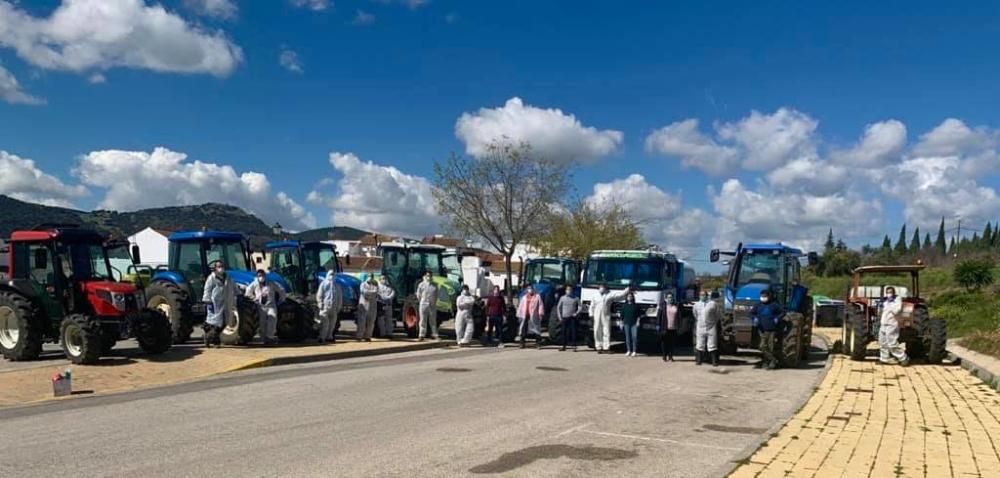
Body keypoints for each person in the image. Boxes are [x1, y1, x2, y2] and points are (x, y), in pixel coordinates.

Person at [245, 269, 287, 346]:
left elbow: (281, 289)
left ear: (265, 276)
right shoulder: (254, 284)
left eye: (262, 275)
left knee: (273, 318)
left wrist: (282, 299)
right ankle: (264, 339)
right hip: (260, 306)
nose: (261, 277)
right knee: (262, 322)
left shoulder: (271, 283)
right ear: (257, 277)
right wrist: (254, 298)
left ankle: (270, 337)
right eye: (259, 276)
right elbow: (247, 292)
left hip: (271, 305)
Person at [589, 285, 631, 354]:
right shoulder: (595, 295)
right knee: (597, 330)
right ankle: (598, 347)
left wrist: (626, 291)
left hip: (606, 315)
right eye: (601, 287)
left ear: (605, 288)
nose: (602, 288)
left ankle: (606, 347)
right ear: (599, 288)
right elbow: (592, 306)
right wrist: (591, 314)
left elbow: (619, 295)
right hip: (596, 315)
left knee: (606, 331)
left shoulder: (609, 294)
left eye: (603, 287)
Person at [202, 262, 235, 348]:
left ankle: (210, 338)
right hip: (215, 303)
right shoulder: (211, 278)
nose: (221, 268)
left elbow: (233, 287)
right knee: (215, 324)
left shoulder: (228, 277)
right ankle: (212, 339)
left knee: (223, 323)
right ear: (215, 268)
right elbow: (207, 289)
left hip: (225, 303)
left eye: (222, 266)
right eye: (219, 266)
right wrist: (207, 301)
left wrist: (239, 293)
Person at [752, 289, 784, 370]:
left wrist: (777, 318)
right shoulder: (758, 305)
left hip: (772, 329)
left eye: (765, 296)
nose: (763, 298)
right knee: (762, 346)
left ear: (769, 297)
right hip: (762, 329)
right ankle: (773, 359)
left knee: (770, 347)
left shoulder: (774, 305)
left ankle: (768, 363)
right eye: (762, 296)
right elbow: (751, 313)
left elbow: (782, 312)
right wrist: (754, 318)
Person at [878, 286, 909, 366]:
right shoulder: (885, 301)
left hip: (892, 323)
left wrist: (890, 303)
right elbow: (881, 312)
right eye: (887, 292)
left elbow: (896, 310)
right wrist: (880, 305)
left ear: (894, 293)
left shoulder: (897, 300)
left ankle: (903, 358)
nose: (889, 294)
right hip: (883, 323)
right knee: (882, 342)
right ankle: (884, 358)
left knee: (892, 343)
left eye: (890, 292)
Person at [693, 290, 721, 366]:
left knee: (712, 344)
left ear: (707, 295)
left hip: (711, 327)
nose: (703, 296)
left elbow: (717, 315)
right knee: (699, 344)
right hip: (700, 327)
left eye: (704, 295)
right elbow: (695, 314)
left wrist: (713, 322)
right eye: (701, 295)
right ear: (699, 296)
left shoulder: (713, 304)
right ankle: (699, 361)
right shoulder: (696, 305)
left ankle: (714, 362)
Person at [316, 269, 341, 344]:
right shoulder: (323, 284)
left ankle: (329, 337)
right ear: (327, 275)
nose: (332, 276)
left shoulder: (337, 286)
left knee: (332, 324)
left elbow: (340, 297)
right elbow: (319, 295)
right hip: (325, 306)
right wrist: (320, 303)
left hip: (334, 307)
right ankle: (322, 337)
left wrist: (339, 306)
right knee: (325, 323)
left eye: (333, 274)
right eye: (331, 274)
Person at [516, 285, 544, 349]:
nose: (530, 290)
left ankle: (538, 343)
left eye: (531, 288)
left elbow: (540, 305)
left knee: (536, 329)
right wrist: (519, 314)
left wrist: (540, 313)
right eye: (528, 288)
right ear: (527, 290)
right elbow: (521, 306)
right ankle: (522, 343)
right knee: (523, 329)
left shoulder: (537, 297)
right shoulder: (524, 297)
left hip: (534, 315)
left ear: (533, 289)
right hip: (525, 315)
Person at [416, 271, 439, 341]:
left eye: (430, 276)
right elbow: (418, 295)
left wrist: (434, 302)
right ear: (425, 276)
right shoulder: (421, 285)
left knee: (433, 320)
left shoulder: (435, 285)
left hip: (432, 305)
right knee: (423, 320)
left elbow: (436, 295)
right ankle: (421, 335)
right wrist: (422, 301)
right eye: (428, 275)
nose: (429, 277)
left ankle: (434, 334)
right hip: (423, 304)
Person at [556, 285, 580, 351]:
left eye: (570, 290)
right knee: (563, 332)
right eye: (567, 289)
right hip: (564, 317)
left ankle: (574, 346)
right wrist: (559, 316)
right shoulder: (562, 298)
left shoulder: (576, 298)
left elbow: (580, 307)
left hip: (572, 317)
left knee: (573, 332)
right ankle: (563, 345)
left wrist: (576, 313)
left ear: (572, 290)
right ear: (565, 290)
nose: (568, 291)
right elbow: (558, 307)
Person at [357, 273, 379, 342]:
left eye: (371, 276)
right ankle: (359, 336)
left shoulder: (375, 285)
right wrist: (371, 293)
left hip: (372, 306)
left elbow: (376, 292)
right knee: (362, 321)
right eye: (369, 276)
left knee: (371, 322)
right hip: (364, 304)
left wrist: (369, 293)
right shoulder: (363, 284)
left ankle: (368, 336)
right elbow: (364, 292)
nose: (370, 278)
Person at [658, 293, 678, 362]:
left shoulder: (676, 306)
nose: (670, 299)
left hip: (673, 327)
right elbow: (659, 316)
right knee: (664, 343)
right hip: (665, 327)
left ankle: (671, 356)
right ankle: (664, 356)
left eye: (671, 297)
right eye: (669, 297)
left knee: (672, 343)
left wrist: (679, 325)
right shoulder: (662, 306)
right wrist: (658, 325)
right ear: (666, 298)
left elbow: (679, 316)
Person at [621, 292, 640, 357]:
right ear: (626, 298)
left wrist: (638, 322)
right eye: (628, 296)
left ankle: (634, 351)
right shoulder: (624, 306)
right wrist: (621, 323)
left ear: (633, 297)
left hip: (634, 324)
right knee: (627, 337)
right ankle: (628, 350)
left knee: (634, 337)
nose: (630, 297)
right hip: (626, 323)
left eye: (631, 296)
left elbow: (638, 315)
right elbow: (622, 316)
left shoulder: (636, 306)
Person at [377, 275, 396, 340]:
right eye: (382, 278)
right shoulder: (378, 287)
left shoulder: (389, 287)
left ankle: (389, 333)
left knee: (389, 320)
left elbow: (393, 293)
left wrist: (388, 297)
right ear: (379, 279)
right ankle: (382, 334)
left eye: (385, 278)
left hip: (389, 305)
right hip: (381, 305)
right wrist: (384, 298)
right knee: (381, 320)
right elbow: (378, 295)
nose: (384, 280)